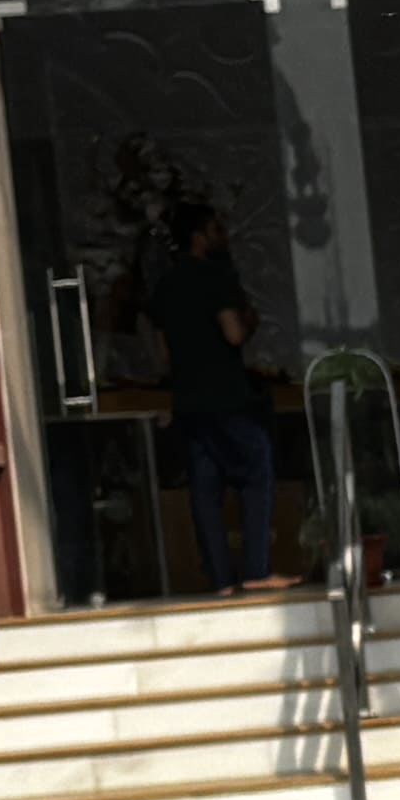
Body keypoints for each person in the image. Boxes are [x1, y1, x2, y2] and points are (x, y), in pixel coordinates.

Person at [139, 199, 279, 589]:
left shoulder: (165, 285)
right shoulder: (216, 277)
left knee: (205, 491)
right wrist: (250, 320)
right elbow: (233, 333)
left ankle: (219, 579)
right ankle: (256, 572)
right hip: (226, 395)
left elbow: (163, 355)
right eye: (216, 229)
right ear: (200, 236)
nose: (224, 236)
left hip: (188, 400)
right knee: (257, 472)